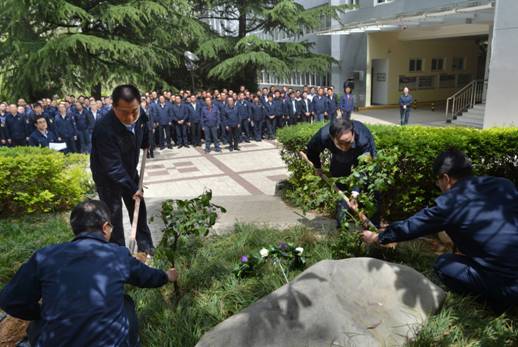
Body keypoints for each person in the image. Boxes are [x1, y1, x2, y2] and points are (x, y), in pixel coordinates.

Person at [0, 200, 178, 347]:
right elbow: (146, 277)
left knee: (41, 321)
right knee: (125, 303)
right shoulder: (117, 254)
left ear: (74, 228)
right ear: (106, 227)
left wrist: (38, 313)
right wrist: (166, 276)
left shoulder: (45, 256)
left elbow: (10, 300)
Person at [362, 149, 518, 312]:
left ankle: (496, 304)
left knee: (444, 264)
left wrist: (378, 237)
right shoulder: (503, 185)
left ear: (445, 178)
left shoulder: (450, 203)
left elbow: (411, 226)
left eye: (437, 181)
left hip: (508, 286)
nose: (438, 186)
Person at [90, 84, 155, 255]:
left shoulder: (140, 115)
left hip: (129, 169)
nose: (130, 116)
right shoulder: (104, 129)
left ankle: (146, 246)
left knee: (138, 207)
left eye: (134, 110)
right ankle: (119, 253)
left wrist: (146, 141)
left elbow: (145, 127)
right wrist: (133, 188)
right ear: (113, 107)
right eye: (124, 112)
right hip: (107, 176)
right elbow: (113, 167)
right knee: (114, 215)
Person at [306, 118, 377, 227]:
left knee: (372, 184)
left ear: (353, 134)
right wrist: (317, 167)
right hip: (339, 158)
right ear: (331, 138)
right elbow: (311, 150)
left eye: (347, 142)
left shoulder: (364, 139)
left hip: (361, 154)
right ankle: (342, 225)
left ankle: (373, 226)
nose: (344, 147)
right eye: (340, 143)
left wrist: (355, 193)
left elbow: (364, 169)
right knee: (340, 187)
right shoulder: (322, 136)